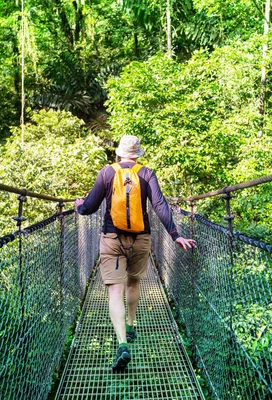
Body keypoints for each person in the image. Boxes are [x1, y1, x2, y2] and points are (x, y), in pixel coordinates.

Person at [75, 135, 196, 372]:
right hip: (141, 239)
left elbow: (90, 207)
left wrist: (79, 206)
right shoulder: (147, 173)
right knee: (133, 283)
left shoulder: (107, 173)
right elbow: (160, 204)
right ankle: (131, 324)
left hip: (112, 239)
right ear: (138, 153)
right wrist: (175, 234)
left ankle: (121, 343)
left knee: (115, 291)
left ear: (119, 153)